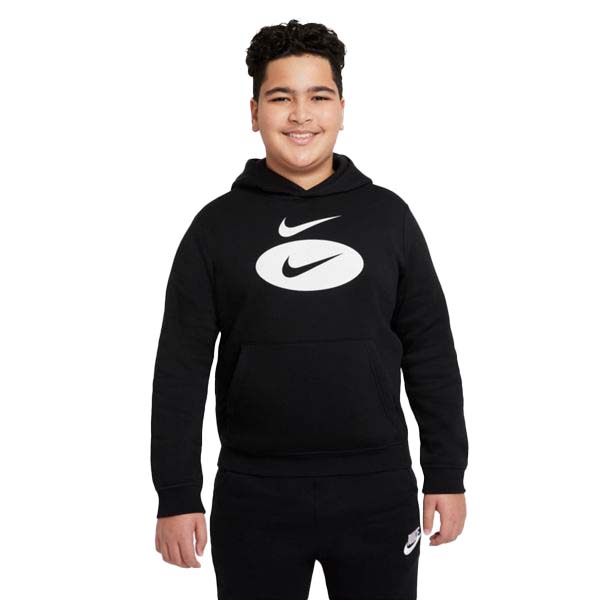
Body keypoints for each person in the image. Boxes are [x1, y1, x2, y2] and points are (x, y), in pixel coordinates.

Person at [151, 18, 468, 599]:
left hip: (377, 488)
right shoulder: (215, 228)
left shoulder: (389, 218)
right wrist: (176, 494)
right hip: (254, 492)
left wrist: (446, 473)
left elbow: (430, 353)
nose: (301, 115)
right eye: (281, 98)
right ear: (254, 112)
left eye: (319, 97)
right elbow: (180, 369)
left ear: (342, 109)